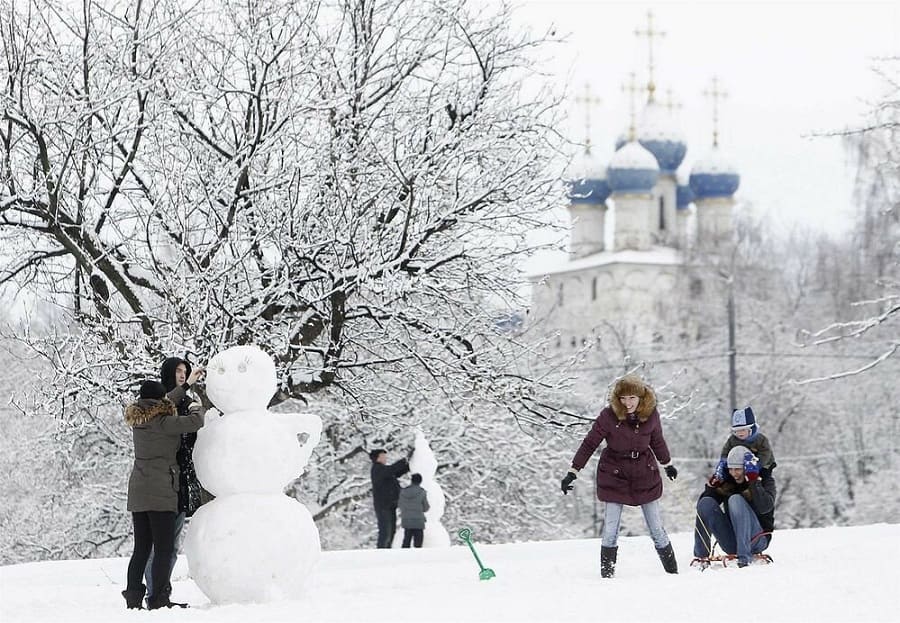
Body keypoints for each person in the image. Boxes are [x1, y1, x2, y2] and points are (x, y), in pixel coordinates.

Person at [560, 374, 679, 578]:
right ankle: (607, 577)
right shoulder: (608, 416)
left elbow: (657, 441)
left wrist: (667, 464)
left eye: (632, 398)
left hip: (644, 473)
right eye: (623, 398)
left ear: (641, 397)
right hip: (614, 473)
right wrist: (573, 471)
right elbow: (590, 443)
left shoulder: (651, 415)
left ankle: (673, 573)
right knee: (610, 530)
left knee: (657, 529)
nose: (627, 403)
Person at [121, 379, 204, 610]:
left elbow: (167, 400)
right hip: (161, 492)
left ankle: (134, 598)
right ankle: (159, 598)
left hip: (138, 491)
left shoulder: (139, 419)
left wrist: (185, 385)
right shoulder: (165, 422)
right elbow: (195, 421)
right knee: (164, 549)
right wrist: (196, 405)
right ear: (159, 401)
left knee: (142, 548)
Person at [143, 358, 206, 600]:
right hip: (162, 481)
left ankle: (161, 592)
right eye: (179, 371)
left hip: (181, 479)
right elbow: (171, 399)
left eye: (185, 372)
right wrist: (188, 385)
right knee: (158, 546)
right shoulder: (159, 403)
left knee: (171, 546)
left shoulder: (189, 402)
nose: (183, 375)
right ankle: (154, 593)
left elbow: (196, 425)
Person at [694, 445, 776, 568]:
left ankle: (744, 557)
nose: (734, 473)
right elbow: (704, 508)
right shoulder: (729, 481)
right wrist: (713, 485)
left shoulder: (765, 480)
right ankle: (701, 558)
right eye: (730, 469)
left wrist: (754, 482)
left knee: (735, 499)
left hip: (757, 539)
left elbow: (765, 507)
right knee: (705, 502)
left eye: (737, 469)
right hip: (732, 542)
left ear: (746, 468)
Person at [710, 406, 777, 485]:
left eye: (743, 430)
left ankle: (758, 482)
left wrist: (757, 464)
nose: (740, 433)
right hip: (739, 466)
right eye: (736, 431)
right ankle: (719, 478)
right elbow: (726, 450)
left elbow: (765, 453)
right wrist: (724, 460)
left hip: (762, 464)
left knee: (764, 474)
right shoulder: (733, 440)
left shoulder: (760, 439)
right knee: (728, 470)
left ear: (751, 429)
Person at [369, 448, 410, 548]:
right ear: (377, 458)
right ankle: (381, 552)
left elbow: (396, 472)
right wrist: (405, 460)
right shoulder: (377, 469)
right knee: (385, 532)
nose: (386, 458)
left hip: (390, 505)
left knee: (391, 531)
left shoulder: (383, 470)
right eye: (383, 456)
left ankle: (387, 551)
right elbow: (392, 469)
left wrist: (408, 465)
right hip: (383, 506)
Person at [398, 473, 430, 548]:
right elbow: (426, 508)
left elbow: (400, 505)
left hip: (406, 519)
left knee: (406, 541)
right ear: (420, 481)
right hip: (418, 520)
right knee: (418, 543)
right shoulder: (422, 492)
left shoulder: (403, 492)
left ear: (411, 481)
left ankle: (404, 557)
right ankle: (417, 558)